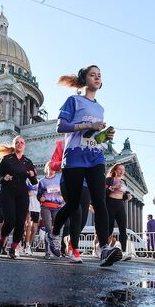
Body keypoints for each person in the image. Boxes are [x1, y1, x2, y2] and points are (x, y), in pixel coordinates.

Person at [45, 65, 122, 267]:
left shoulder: (100, 108)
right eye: (92, 75)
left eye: (99, 75)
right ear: (84, 79)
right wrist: (87, 125)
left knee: (100, 202)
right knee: (72, 205)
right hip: (74, 157)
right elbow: (61, 126)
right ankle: (53, 234)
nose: (97, 78)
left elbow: (95, 138)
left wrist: (105, 135)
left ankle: (104, 248)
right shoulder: (74, 100)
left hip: (95, 157)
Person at [0, 136, 38, 259]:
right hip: (7, 193)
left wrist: (33, 175)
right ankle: (1, 240)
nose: (19, 144)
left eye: (22, 142)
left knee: (20, 223)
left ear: (25, 145)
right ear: (14, 145)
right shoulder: (7, 159)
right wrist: (4, 178)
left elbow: (34, 182)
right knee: (10, 220)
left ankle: (13, 247)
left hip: (22, 194)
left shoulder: (28, 162)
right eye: (17, 142)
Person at [38, 161, 65, 260]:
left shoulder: (60, 179)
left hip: (57, 207)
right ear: (47, 168)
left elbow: (64, 192)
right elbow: (39, 194)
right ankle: (47, 252)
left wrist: (62, 192)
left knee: (56, 229)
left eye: (53, 167)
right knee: (48, 228)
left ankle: (56, 247)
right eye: (50, 166)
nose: (51, 168)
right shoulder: (42, 181)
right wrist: (40, 198)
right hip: (46, 206)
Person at [106, 163, 133, 261]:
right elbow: (104, 193)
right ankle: (105, 249)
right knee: (109, 229)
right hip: (110, 205)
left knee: (123, 229)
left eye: (123, 169)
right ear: (115, 170)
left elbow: (124, 194)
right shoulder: (109, 180)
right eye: (119, 169)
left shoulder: (124, 182)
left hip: (120, 206)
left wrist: (128, 196)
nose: (121, 171)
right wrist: (113, 188)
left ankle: (124, 252)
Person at [24, 178, 41, 256]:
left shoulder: (38, 181)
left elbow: (41, 193)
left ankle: (29, 245)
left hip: (37, 207)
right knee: (28, 226)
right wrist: (26, 193)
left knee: (34, 228)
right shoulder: (26, 180)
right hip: (28, 206)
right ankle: (27, 245)